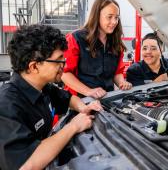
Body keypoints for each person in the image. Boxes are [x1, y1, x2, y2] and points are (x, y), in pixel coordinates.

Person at [0, 25, 102, 170]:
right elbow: (26, 164)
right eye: (59, 59)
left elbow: (67, 99)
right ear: (34, 67)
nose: (64, 65)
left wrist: (83, 108)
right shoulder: (7, 107)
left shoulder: (43, 87)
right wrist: (73, 126)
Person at [62, 0, 132, 99]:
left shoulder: (115, 43)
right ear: (96, 15)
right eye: (109, 17)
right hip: (80, 102)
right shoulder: (75, 39)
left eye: (116, 17)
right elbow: (65, 74)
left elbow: (117, 73)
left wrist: (122, 82)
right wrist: (89, 91)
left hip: (107, 100)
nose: (114, 22)